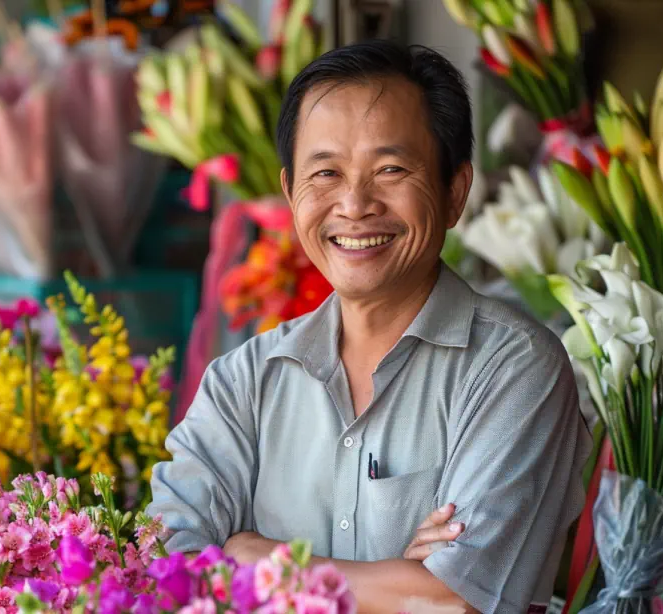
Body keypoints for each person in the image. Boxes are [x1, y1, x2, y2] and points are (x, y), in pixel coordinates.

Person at [147, 40, 592, 614]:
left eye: (391, 169)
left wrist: (252, 557)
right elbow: (165, 573)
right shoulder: (242, 384)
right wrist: (398, 584)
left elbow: (456, 602)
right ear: (290, 194)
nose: (354, 204)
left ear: (455, 191)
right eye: (326, 172)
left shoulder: (514, 368)